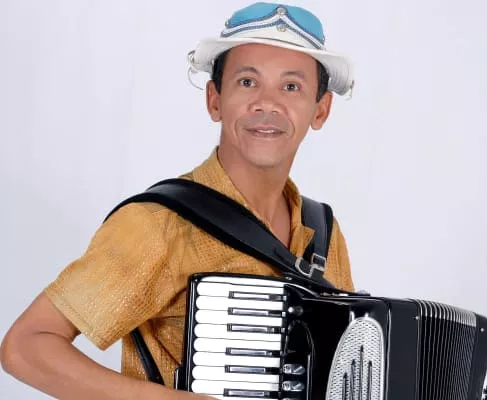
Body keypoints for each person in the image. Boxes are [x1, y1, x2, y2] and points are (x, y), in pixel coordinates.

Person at [0, 2, 355, 399]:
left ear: (320, 110)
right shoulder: (158, 224)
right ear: (214, 100)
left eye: (291, 87)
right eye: (247, 82)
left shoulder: (322, 232)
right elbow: (26, 346)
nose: (266, 103)